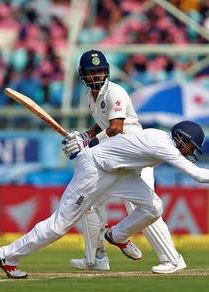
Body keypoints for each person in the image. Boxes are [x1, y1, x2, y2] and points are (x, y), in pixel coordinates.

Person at [0, 120, 209, 279]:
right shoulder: (164, 145)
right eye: (190, 146)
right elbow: (196, 175)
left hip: (118, 172)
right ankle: (7, 256)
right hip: (95, 170)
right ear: (180, 138)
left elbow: (121, 140)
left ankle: (118, 234)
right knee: (59, 226)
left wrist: (89, 140)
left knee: (154, 207)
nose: (190, 152)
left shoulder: (159, 137)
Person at [60, 49, 187, 274]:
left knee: (143, 206)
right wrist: (85, 135)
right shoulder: (91, 98)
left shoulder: (115, 92)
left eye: (100, 71)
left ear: (107, 71)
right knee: (89, 202)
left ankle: (173, 259)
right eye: (91, 72)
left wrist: (87, 143)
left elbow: (116, 128)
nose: (96, 76)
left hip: (135, 155)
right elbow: (102, 124)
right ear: (83, 75)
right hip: (114, 158)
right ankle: (96, 258)